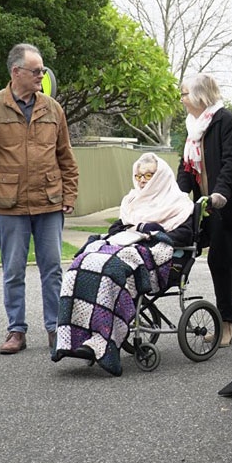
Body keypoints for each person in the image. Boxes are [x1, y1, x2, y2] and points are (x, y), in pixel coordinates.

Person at [0, 43, 79, 355]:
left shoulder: (53, 108)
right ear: (17, 72)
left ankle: (56, 329)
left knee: (53, 269)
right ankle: (16, 330)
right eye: (37, 71)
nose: (42, 75)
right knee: (13, 271)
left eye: (42, 70)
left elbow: (66, 156)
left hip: (49, 202)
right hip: (8, 205)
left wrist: (70, 193)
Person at [52, 153, 194, 376]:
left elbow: (184, 236)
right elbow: (116, 229)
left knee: (112, 271)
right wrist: (132, 231)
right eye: (138, 175)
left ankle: (102, 342)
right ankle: (74, 338)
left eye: (149, 174)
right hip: (126, 248)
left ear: (161, 176)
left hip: (157, 258)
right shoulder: (132, 200)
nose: (142, 180)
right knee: (80, 264)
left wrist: (148, 232)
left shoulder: (180, 203)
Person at [177, 73, 232, 348]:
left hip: (224, 203)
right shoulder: (193, 126)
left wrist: (220, 192)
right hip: (205, 204)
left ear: (199, 96)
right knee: (227, 261)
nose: (182, 100)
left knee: (219, 261)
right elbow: (187, 167)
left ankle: (227, 324)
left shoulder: (225, 121)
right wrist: (179, 194)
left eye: (185, 94)